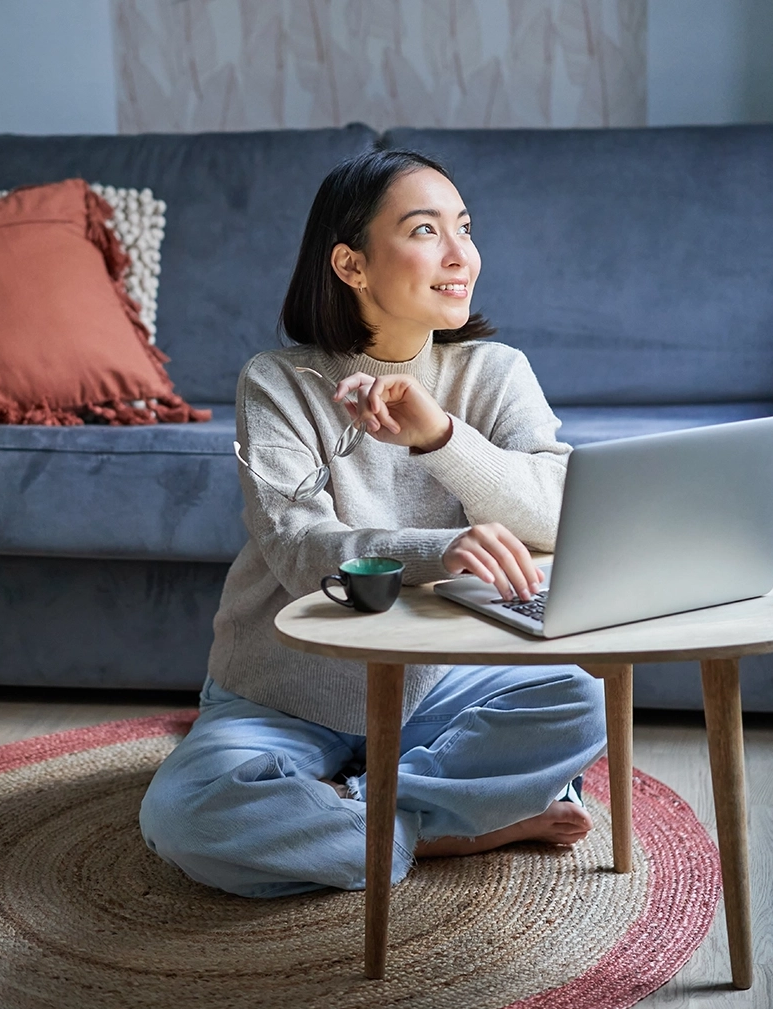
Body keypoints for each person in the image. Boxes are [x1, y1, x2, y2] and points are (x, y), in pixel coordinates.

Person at [139, 149, 607, 898]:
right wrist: (441, 549)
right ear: (351, 265)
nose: (462, 255)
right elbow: (300, 549)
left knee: (579, 698)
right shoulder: (279, 381)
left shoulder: (494, 372)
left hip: (434, 686)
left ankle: (366, 819)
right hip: (281, 694)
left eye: (465, 227)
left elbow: (558, 510)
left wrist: (440, 439)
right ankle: (442, 823)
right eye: (427, 230)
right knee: (183, 815)